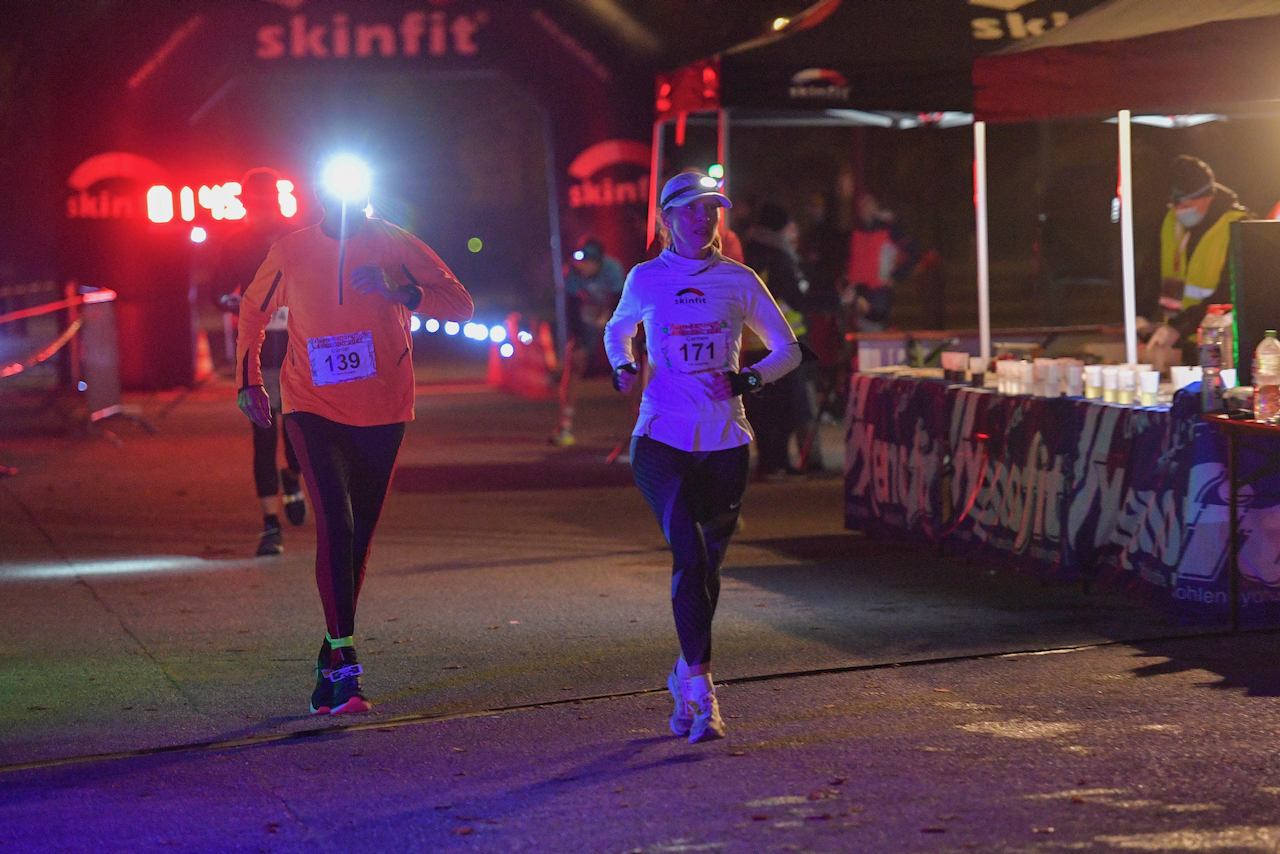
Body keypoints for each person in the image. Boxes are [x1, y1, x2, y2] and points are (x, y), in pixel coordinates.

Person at [236, 157, 473, 715]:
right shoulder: (291, 249)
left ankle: (329, 655)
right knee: (335, 526)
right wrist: (248, 379)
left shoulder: (394, 243)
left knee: (358, 538)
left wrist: (403, 292)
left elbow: (459, 303)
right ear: (315, 195)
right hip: (312, 408)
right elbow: (253, 308)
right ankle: (345, 667)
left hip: (385, 410)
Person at [605, 171, 802, 743]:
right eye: (690, 210)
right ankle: (702, 691)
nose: (703, 219)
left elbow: (789, 349)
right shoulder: (645, 279)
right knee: (689, 556)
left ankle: (683, 670)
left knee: (706, 570)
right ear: (667, 219)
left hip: (726, 445)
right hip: (660, 439)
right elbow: (617, 331)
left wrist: (748, 379)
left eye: (711, 210)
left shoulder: (739, 280)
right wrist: (622, 364)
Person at [214, 168, 306, 556]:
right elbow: (217, 291)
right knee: (263, 436)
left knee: (298, 433)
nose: (260, 210)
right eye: (254, 203)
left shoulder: (299, 238)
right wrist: (233, 303)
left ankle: (294, 478)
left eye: (265, 202)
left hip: (300, 349)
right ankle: (270, 526)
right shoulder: (235, 244)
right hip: (258, 349)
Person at [1142, 156, 1251, 369]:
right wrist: (1142, 314)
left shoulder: (1238, 227)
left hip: (1220, 347)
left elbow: (1229, 294)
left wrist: (1178, 328)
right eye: (1175, 204)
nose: (1179, 211)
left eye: (1186, 204)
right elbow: (1152, 272)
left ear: (1207, 197)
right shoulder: (1171, 222)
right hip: (1179, 346)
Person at [743, 202, 820, 478]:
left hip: (753, 347)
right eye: (789, 225)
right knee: (787, 410)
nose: (793, 231)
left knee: (763, 410)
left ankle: (770, 463)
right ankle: (777, 463)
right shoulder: (779, 257)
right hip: (783, 347)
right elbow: (797, 299)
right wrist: (831, 301)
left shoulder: (748, 253)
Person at [551, 237, 625, 446]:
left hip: (613, 315)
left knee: (630, 365)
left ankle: (643, 422)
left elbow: (621, 300)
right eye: (579, 262)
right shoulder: (572, 272)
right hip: (587, 317)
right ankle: (565, 424)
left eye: (587, 262)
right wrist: (581, 340)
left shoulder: (613, 268)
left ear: (598, 262)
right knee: (575, 362)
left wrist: (614, 326)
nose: (581, 267)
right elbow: (571, 308)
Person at [841, 192, 916, 332]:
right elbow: (849, 259)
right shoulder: (855, 230)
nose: (865, 207)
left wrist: (895, 276)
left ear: (877, 206)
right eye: (862, 204)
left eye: (869, 203)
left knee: (874, 333)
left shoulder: (889, 228)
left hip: (878, 293)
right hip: (855, 293)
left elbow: (911, 252)